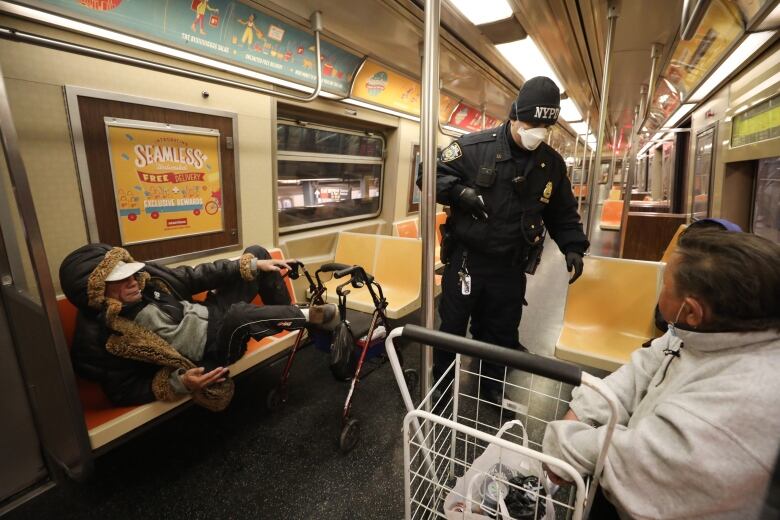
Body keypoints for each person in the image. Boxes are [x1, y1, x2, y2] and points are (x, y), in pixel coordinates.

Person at [543, 230, 780, 519]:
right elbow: (645, 365)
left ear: (692, 311)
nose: (659, 291)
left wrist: (567, 446)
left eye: (665, 284)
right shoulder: (706, 331)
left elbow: (640, 462)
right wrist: (581, 412)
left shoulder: (744, 400)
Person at [421, 76, 589, 400]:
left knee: (500, 332)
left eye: (544, 126)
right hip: (468, 260)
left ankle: (491, 390)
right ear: (514, 115)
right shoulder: (473, 148)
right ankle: (442, 391)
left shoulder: (550, 164)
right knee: (453, 328)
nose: (535, 132)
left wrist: (573, 246)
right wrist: (460, 193)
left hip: (510, 265)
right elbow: (426, 174)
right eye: (529, 123)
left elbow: (562, 212)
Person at [60, 243, 336, 411]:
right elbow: (123, 390)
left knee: (256, 254)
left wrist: (254, 265)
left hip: (210, 313)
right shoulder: (102, 337)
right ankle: (306, 316)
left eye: (130, 273)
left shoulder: (147, 282)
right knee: (239, 316)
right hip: (210, 351)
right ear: (95, 292)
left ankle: (293, 321)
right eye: (120, 280)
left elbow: (195, 275)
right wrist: (180, 382)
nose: (132, 281)